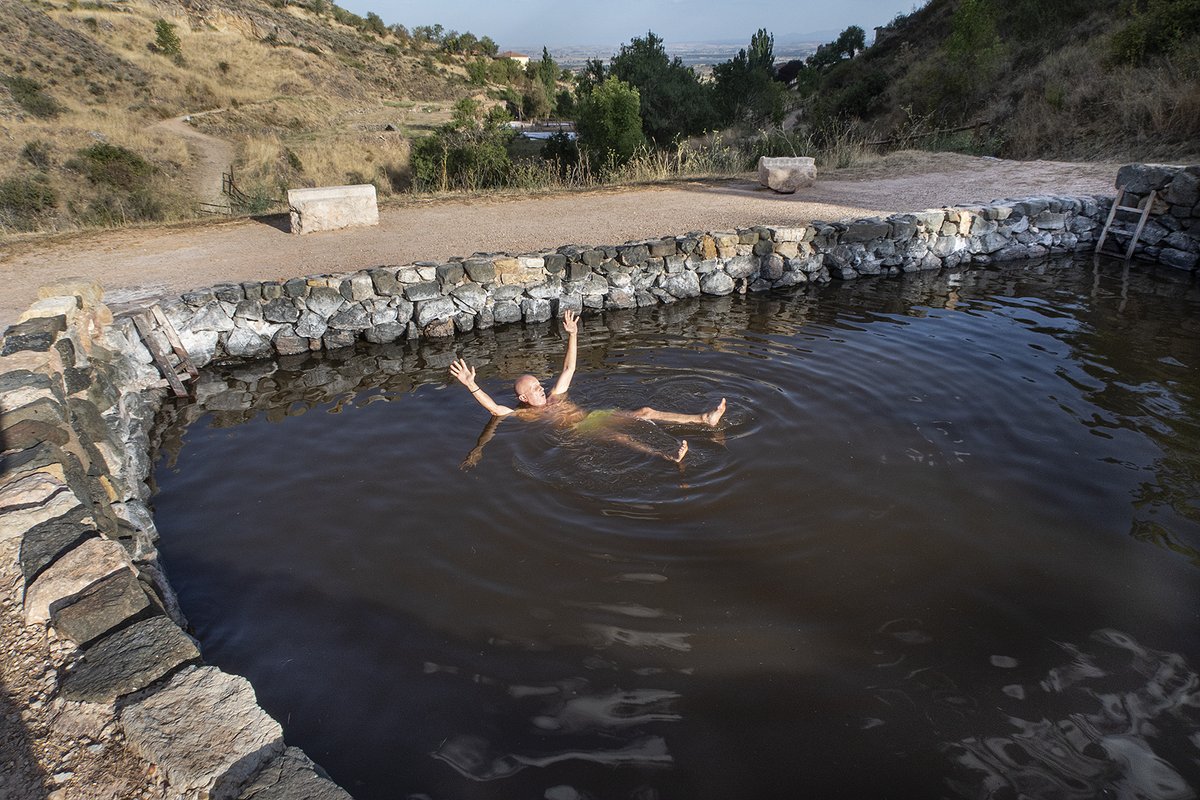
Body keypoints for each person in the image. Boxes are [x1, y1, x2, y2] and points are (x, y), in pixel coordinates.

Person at [449, 309, 726, 463]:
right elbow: (496, 410)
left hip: (593, 417)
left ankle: (704, 419)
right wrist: (472, 385)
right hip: (579, 431)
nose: (540, 388)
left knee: (645, 410)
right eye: (534, 388)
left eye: (538, 384)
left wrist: (573, 335)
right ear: (523, 397)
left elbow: (569, 367)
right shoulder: (527, 414)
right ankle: (667, 455)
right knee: (622, 438)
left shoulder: (556, 396)